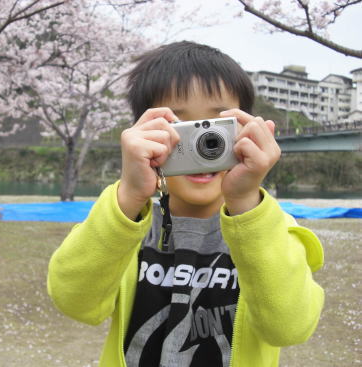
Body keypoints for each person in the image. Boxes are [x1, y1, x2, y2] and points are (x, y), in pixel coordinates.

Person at [47, 41, 324, 367]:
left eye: (217, 127)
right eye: (180, 126)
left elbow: (289, 328)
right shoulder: (126, 226)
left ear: (248, 130)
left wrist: (247, 202)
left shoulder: (268, 232)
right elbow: (74, 301)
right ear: (142, 134)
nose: (201, 145)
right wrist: (129, 196)